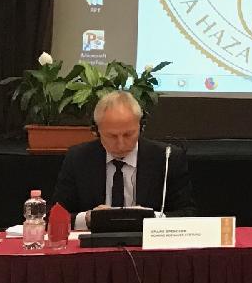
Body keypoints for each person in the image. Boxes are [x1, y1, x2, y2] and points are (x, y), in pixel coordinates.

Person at [52, 90, 198, 226]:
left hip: (145, 241)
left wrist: (151, 218)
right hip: (95, 240)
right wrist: (87, 218)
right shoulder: (78, 158)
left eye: (128, 134)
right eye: (112, 136)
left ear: (141, 127)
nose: (120, 144)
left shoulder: (167, 158)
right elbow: (54, 216)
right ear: (96, 131)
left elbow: (188, 214)